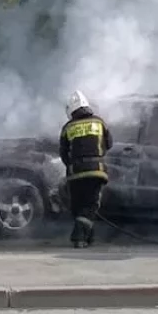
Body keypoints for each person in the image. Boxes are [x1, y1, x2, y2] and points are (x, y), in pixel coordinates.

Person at [59, 90, 113, 249]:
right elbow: (109, 144)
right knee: (90, 206)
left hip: (75, 173)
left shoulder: (67, 127)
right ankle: (80, 238)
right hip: (96, 172)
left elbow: (63, 153)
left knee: (78, 206)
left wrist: (71, 165)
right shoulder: (100, 122)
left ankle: (85, 237)